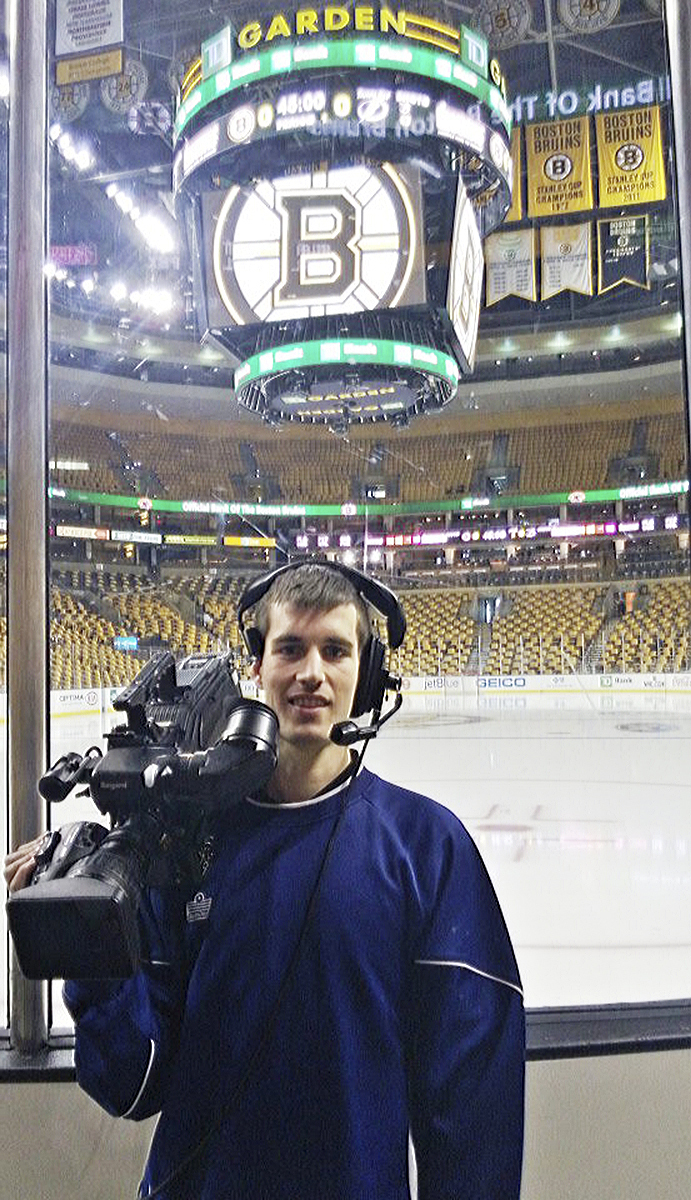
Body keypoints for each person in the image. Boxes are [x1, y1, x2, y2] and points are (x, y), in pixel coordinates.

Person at [5, 562, 525, 1200]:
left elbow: (473, 1111)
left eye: (335, 650)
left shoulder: (427, 847)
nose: (312, 672)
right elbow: (132, 1083)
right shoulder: (184, 838)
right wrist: (95, 948)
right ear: (257, 667)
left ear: (367, 677)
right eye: (290, 648)